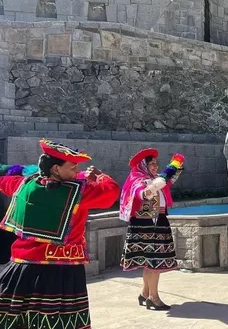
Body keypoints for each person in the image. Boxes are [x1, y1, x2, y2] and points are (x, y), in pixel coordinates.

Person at [0, 139, 120, 329]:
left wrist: (15, 170)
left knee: (20, 320)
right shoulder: (78, 193)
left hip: (24, 267)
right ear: (56, 169)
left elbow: (3, 180)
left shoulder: (22, 185)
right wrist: (100, 176)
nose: (76, 171)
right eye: (73, 167)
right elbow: (110, 193)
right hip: (63, 270)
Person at [120, 148, 184, 311]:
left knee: (150, 262)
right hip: (145, 224)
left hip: (157, 220)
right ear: (143, 165)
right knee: (153, 262)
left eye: (156, 164)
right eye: (151, 164)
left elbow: (168, 179)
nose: (155, 167)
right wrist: (155, 185)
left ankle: (145, 293)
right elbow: (143, 194)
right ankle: (154, 298)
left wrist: (175, 165)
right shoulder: (138, 179)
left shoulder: (153, 178)